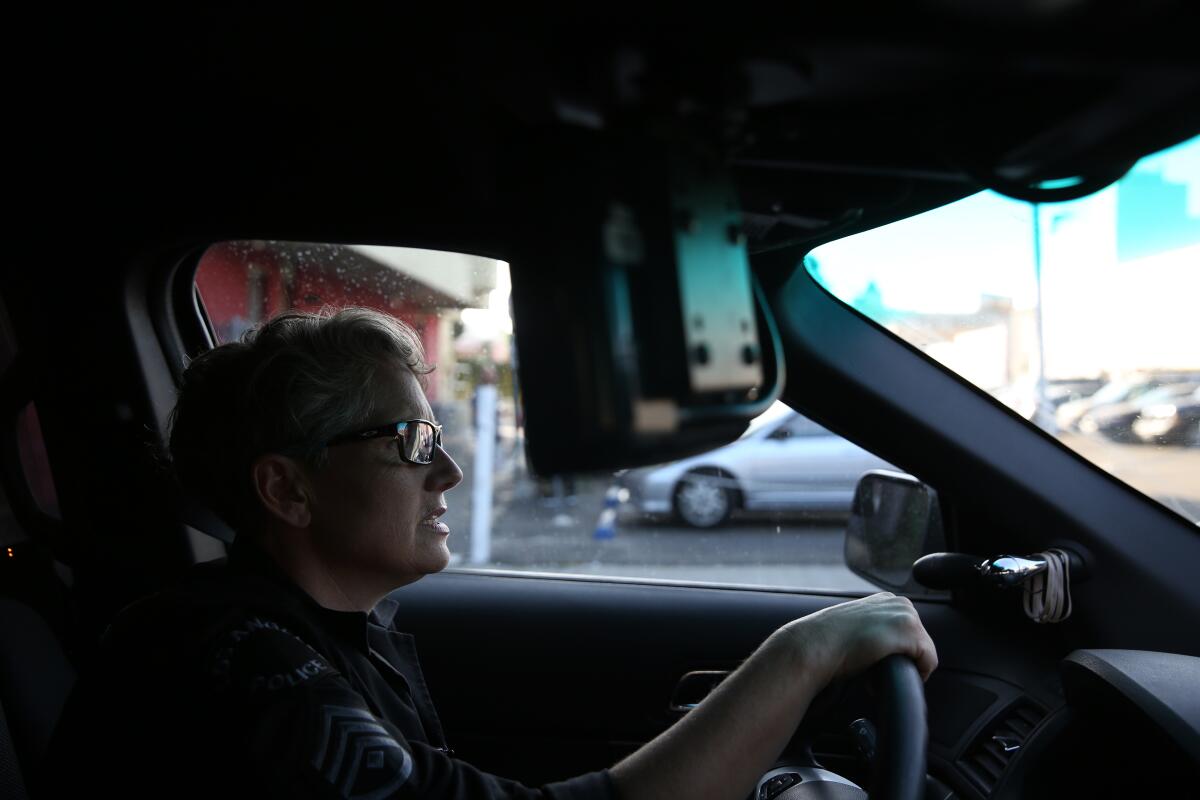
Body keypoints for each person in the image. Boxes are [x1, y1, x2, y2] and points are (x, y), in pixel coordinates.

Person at [48, 307, 936, 800]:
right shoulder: (246, 665)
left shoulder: (341, 633)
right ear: (288, 490)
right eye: (406, 441)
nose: (450, 470)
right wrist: (803, 652)